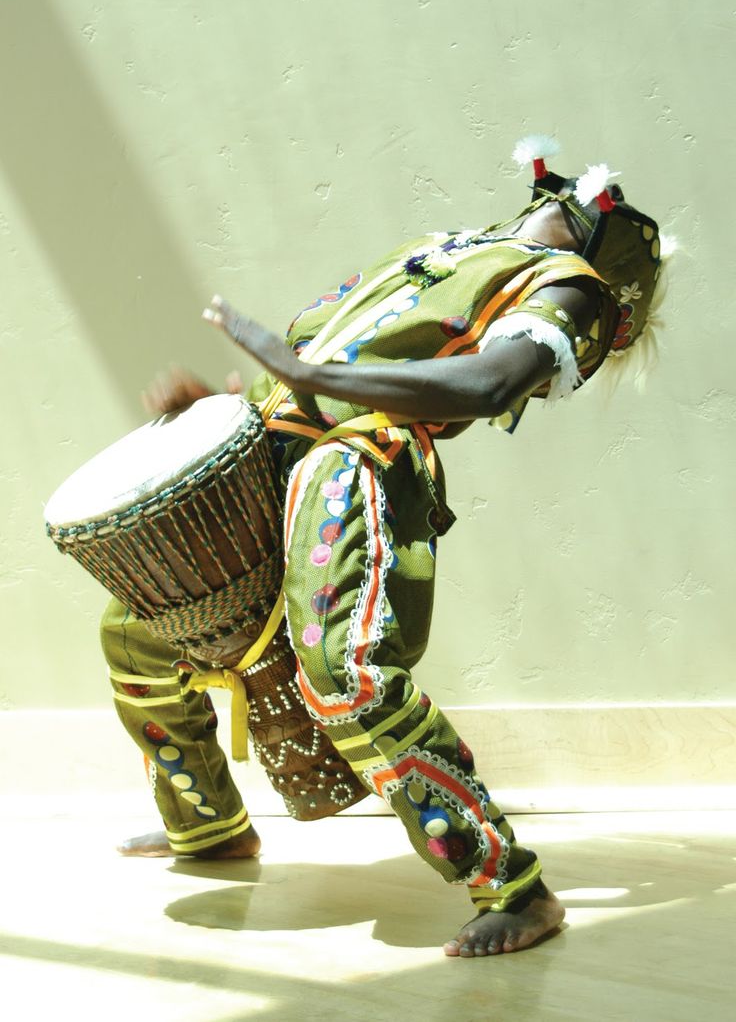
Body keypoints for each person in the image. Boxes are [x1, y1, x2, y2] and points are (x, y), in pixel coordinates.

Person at [101, 137, 667, 958]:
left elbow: (487, 384)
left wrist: (300, 372)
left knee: (348, 669)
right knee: (138, 633)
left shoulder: (571, 291)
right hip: (276, 441)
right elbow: (318, 358)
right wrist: (232, 403)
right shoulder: (444, 250)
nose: (559, 191)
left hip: (358, 460)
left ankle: (512, 884)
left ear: (597, 235)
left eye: (584, 199)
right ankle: (209, 825)